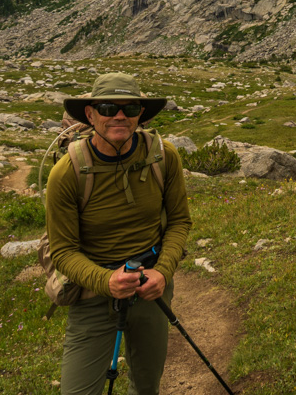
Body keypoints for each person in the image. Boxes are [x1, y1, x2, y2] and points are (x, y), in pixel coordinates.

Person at [46, 72, 192, 395]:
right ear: (90, 114)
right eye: (109, 107)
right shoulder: (66, 173)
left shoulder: (164, 156)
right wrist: (106, 282)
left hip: (151, 288)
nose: (120, 116)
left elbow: (180, 221)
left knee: (146, 387)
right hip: (92, 293)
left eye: (130, 108)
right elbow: (63, 251)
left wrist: (163, 273)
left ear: (141, 114)